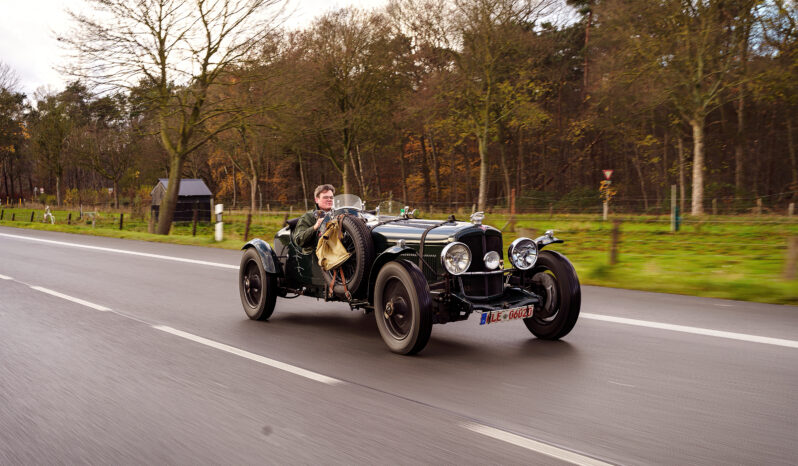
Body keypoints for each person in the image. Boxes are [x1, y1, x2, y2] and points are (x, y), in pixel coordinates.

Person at [294, 184, 335, 254]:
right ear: (317, 200)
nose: (329, 200)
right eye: (325, 197)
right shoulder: (308, 216)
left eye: (331, 197)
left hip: (336, 251)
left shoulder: (338, 215)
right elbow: (299, 240)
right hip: (315, 255)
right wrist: (315, 227)